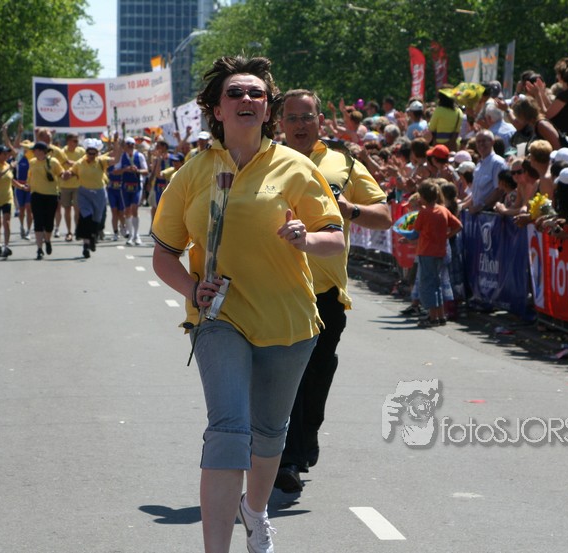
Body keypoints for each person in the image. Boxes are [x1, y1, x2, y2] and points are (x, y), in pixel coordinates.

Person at [151, 56, 344, 553]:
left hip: (287, 319)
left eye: (257, 93)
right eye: (235, 92)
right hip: (219, 317)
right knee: (228, 429)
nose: (246, 99)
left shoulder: (295, 167)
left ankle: (254, 512)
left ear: (268, 109)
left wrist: (306, 238)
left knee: (269, 434)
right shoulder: (193, 173)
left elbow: (335, 238)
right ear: (217, 109)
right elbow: (164, 254)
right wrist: (191, 289)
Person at [275, 89, 391, 494]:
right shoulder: (263, 161)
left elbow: (384, 216)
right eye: (292, 118)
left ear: (320, 121)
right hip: (275, 288)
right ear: (280, 124)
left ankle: (305, 438)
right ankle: (288, 459)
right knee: (285, 376)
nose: (300, 125)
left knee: (317, 374)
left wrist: (350, 210)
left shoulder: (343, 162)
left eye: (307, 117)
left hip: (326, 292)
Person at [411, 179, 462, 326]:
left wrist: (404, 238)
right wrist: (446, 236)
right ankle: (440, 315)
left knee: (428, 285)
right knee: (437, 284)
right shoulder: (443, 210)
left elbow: (415, 233)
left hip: (426, 252)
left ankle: (433, 317)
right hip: (440, 252)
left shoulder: (424, 212)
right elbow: (458, 226)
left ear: (423, 197)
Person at [63, 138, 120, 259]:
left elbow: (116, 159)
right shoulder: (80, 163)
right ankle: (86, 245)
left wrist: (117, 144)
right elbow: (71, 172)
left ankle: (93, 236)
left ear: (97, 153)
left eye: (94, 153)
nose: (92, 156)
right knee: (86, 218)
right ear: (86, 152)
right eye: (90, 153)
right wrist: (67, 174)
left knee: (96, 219)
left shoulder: (101, 161)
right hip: (84, 193)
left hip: (98, 194)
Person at [27, 142, 65, 260]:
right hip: (36, 195)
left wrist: (67, 175)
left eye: (35, 150)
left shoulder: (53, 162)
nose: (33, 152)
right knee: (38, 222)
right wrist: (27, 185)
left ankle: (47, 240)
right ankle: (39, 249)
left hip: (51, 195)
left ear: (42, 151)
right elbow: (30, 177)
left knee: (49, 223)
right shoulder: (32, 162)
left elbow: (61, 173)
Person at [0, 145, 23, 258]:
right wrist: (9, 168)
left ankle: (6, 246)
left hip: (7, 198)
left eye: (7, 154)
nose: (6, 155)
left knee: (7, 221)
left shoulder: (7, 165)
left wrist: (22, 187)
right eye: (4, 153)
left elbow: (11, 180)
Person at [115, 136, 148, 246]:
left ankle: (136, 235)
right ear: (125, 146)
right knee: (127, 210)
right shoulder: (122, 156)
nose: (130, 147)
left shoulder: (139, 156)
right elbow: (115, 171)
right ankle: (130, 235)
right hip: (125, 186)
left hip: (137, 186)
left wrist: (137, 170)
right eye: (128, 145)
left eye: (132, 145)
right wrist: (125, 169)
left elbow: (146, 171)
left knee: (135, 209)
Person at [466, 129, 507, 213]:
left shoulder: (497, 163)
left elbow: (499, 190)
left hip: (490, 214)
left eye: (484, 141)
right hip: (478, 214)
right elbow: (476, 193)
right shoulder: (479, 165)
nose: (481, 144)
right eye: (478, 141)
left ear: (492, 142)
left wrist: (481, 206)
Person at [59, 133, 86, 241]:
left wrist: (73, 165)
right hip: (65, 185)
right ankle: (69, 232)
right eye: (75, 141)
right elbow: (57, 166)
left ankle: (77, 231)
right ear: (68, 141)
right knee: (67, 209)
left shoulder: (81, 151)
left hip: (78, 185)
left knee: (77, 209)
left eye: (77, 141)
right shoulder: (62, 152)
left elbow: (85, 164)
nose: (77, 143)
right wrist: (63, 174)